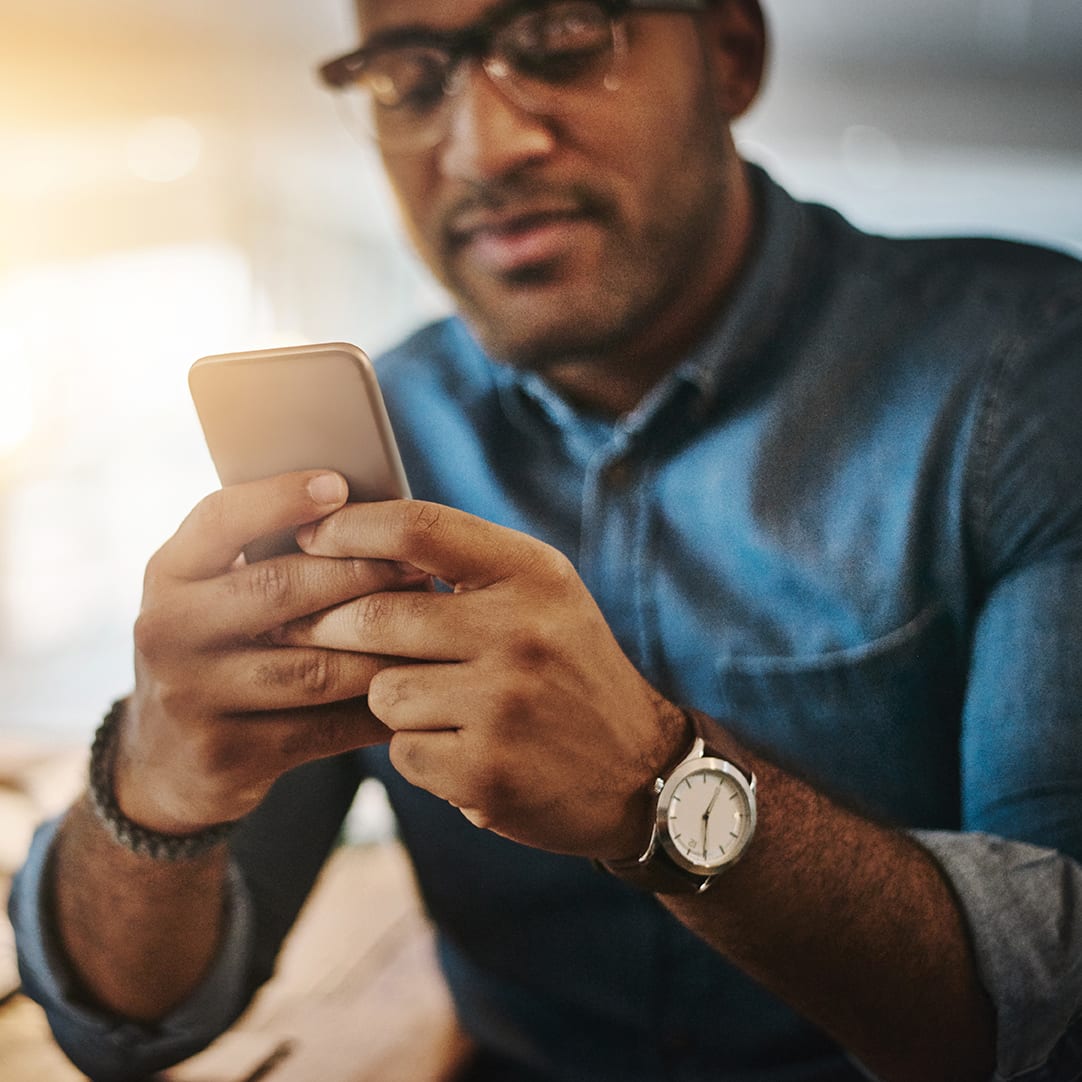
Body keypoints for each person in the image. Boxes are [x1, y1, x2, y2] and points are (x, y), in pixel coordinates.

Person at [10, 0, 1082, 1078]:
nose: (480, 144)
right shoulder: (374, 442)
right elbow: (126, 1024)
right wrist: (153, 782)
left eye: (564, 38)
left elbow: (1059, 998)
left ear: (730, 53)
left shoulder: (1031, 377)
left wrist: (655, 786)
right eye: (404, 78)